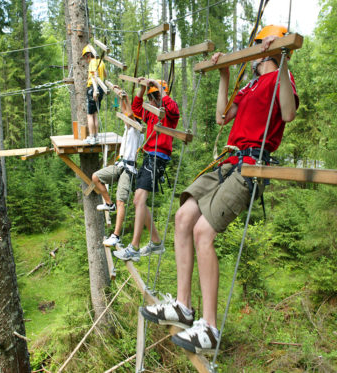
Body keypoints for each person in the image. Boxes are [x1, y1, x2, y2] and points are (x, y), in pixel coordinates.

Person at [140, 25, 299, 354]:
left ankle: (210, 329)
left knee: (202, 232)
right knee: (183, 217)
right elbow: (220, 118)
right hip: (229, 161)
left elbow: (287, 113)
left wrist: (282, 60)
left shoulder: (279, 78)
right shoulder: (250, 85)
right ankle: (184, 307)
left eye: (256, 50)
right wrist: (225, 74)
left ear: (265, 50)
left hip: (252, 164)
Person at [113, 78, 180, 261]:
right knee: (137, 201)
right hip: (149, 156)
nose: (151, 100)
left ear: (161, 95)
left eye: (154, 96)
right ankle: (156, 242)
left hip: (158, 157)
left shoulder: (168, 112)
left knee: (139, 199)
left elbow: (173, 108)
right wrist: (142, 89)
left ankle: (134, 247)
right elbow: (135, 109)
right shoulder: (150, 111)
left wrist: (159, 89)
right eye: (150, 97)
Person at [92, 94, 144, 247]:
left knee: (121, 200)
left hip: (129, 169)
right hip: (120, 165)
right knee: (96, 177)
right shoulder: (128, 129)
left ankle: (116, 236)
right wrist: (121, 97)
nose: (126, 122)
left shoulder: (137, 131)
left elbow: (129, 115)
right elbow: (125, 114)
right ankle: (109, 203)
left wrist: (125, 99)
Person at [82, 44, 106, 145]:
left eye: (85, 58)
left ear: (88, 55)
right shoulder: (101, 62)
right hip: (100, 88)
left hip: (93, 87)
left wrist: (95, 90)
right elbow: (105, 74)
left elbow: (93, 76)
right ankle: (96, 137)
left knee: (90, 115)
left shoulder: (92, 62)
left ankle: (92, 137)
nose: (86, 61)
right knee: (95, 114)